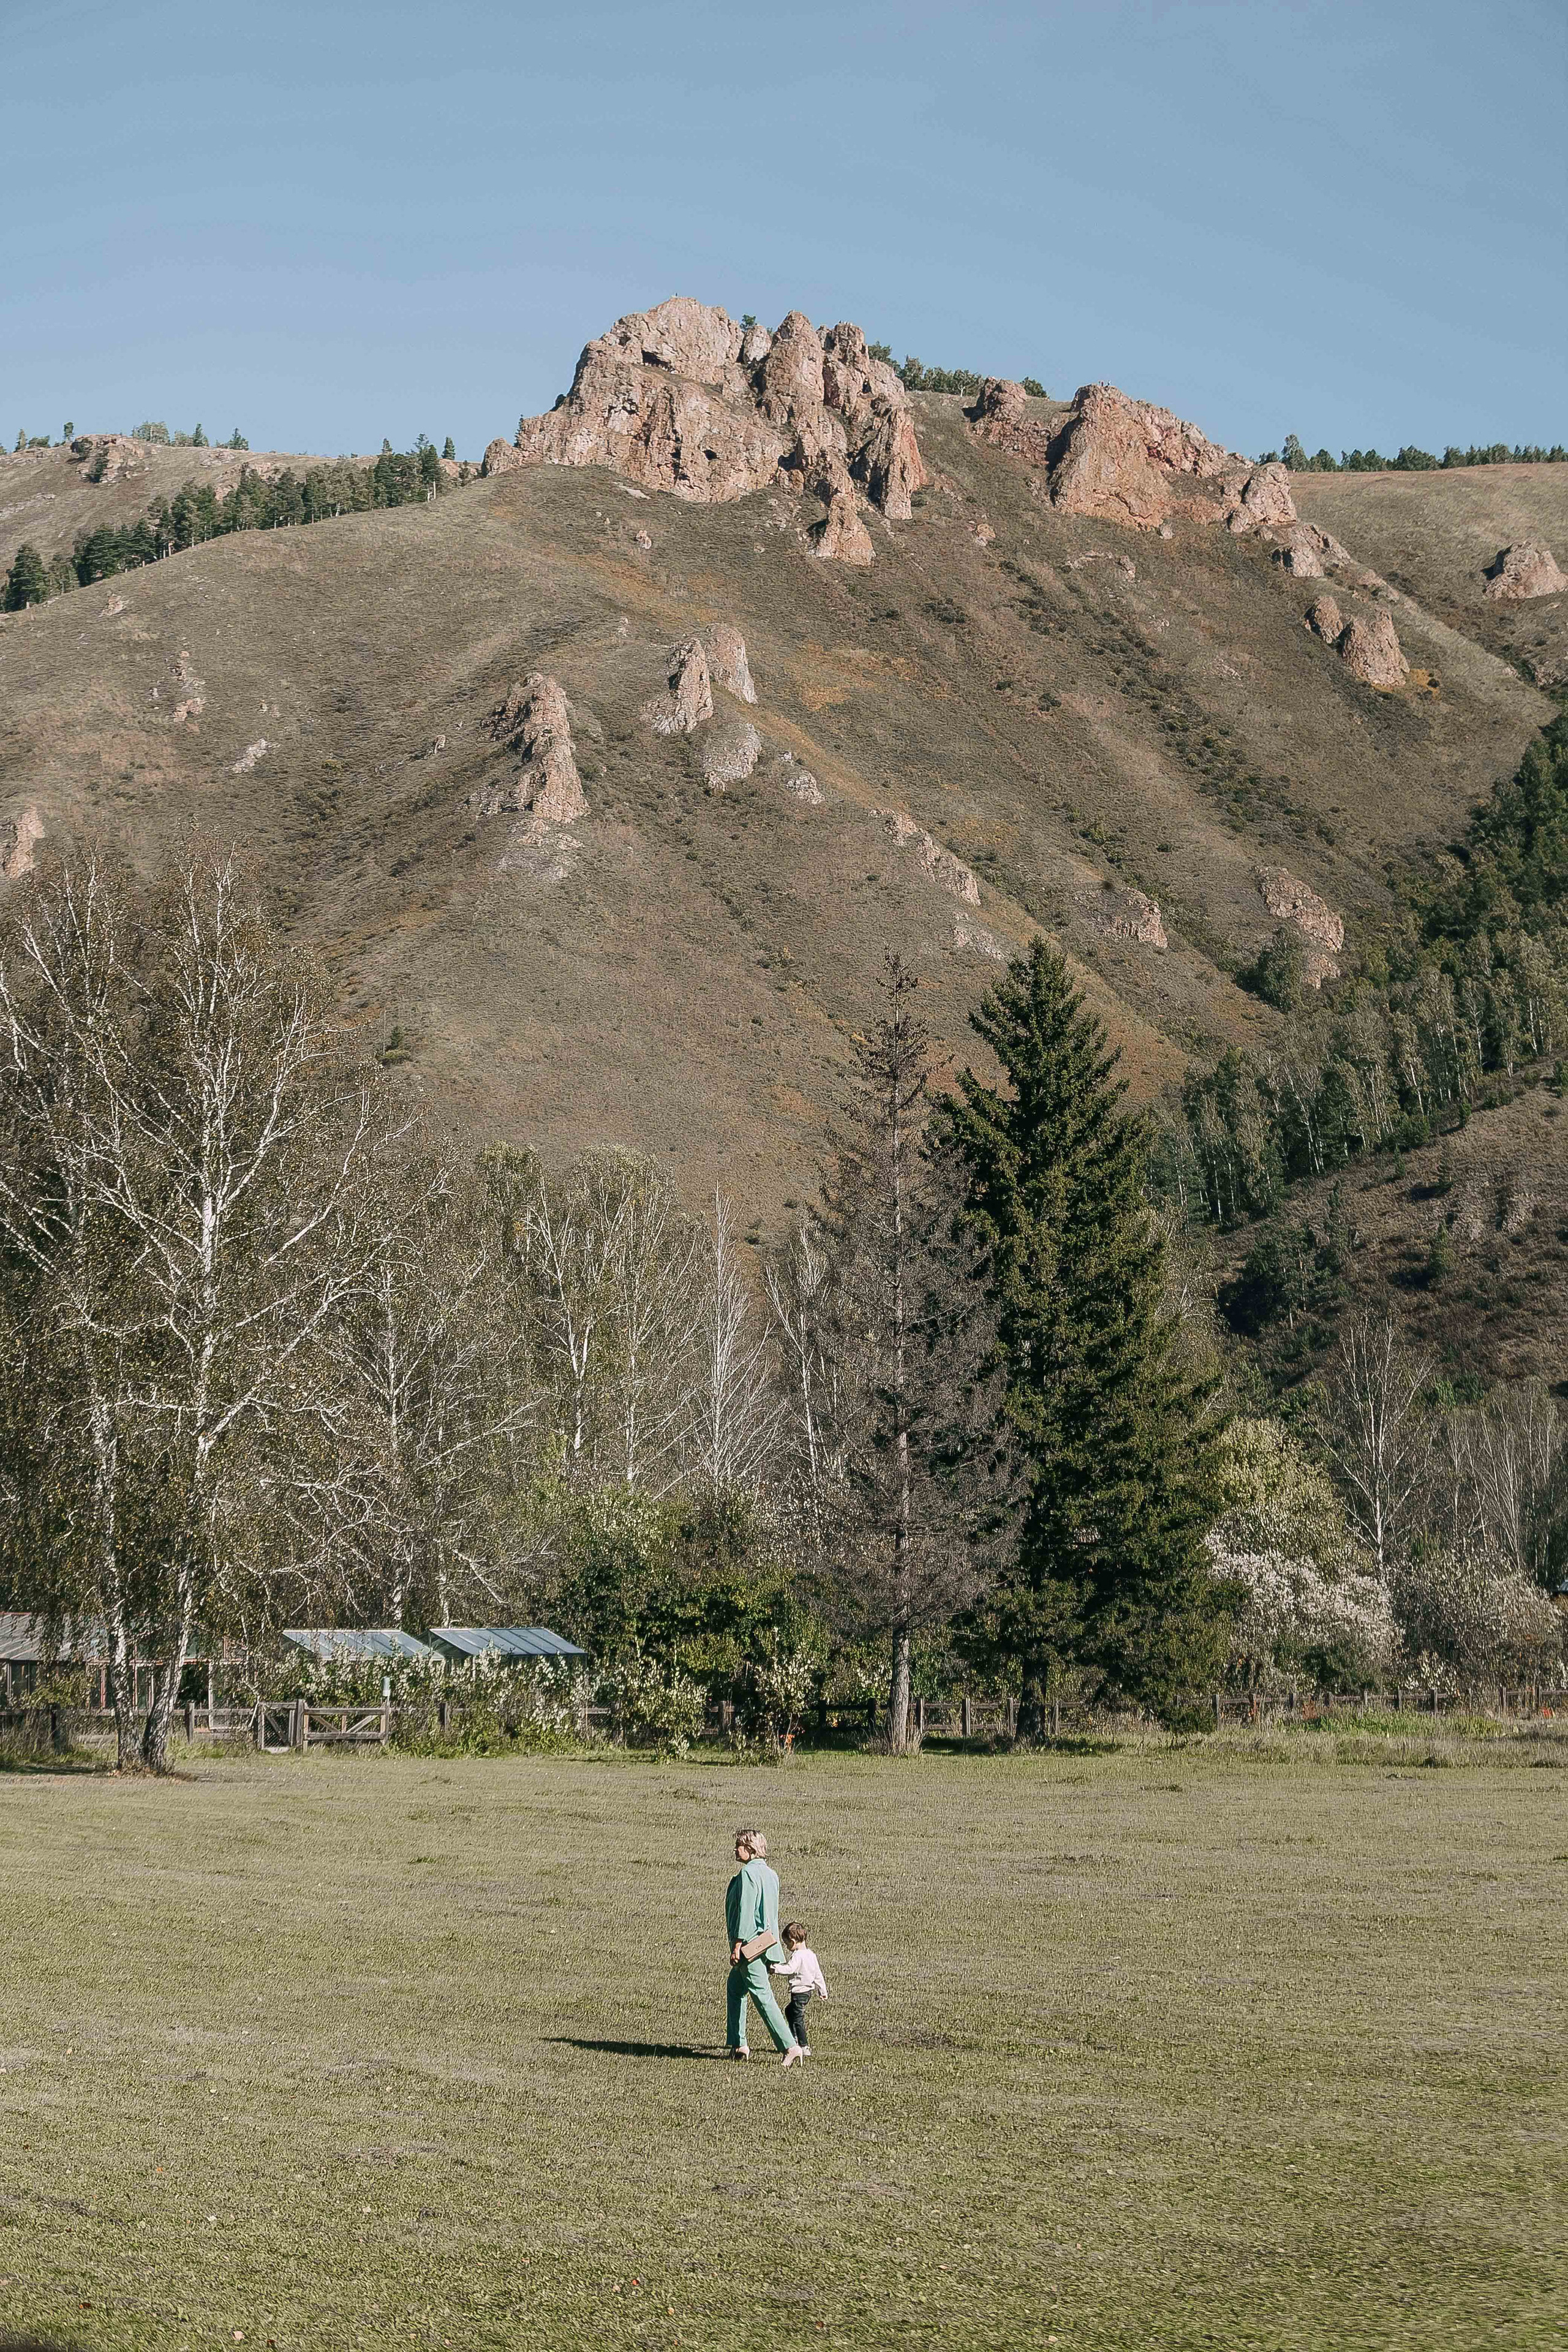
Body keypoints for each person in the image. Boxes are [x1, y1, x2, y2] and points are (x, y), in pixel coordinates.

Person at [725, 1829, 802, 2065]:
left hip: (750, 1945)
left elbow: (747, 1911)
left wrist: (738, 1945)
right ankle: (739, 2045)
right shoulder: (771, 1874)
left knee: (762, 1995)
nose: (735, 1849)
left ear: (750, 1849)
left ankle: (790, 2046)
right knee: (735, 1989)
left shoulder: (748, 1873)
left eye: (739, 1845)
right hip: (765, 1943)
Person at [769, 1921, 828, 2055]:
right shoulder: (811, 1955)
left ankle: (803, 2045)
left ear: (793, 1941)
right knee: (790, 2011)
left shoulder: (798, 1956)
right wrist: (822, 1990)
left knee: (798, 2019)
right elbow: (818, 1974)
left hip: (799, 1992)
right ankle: (794, 2038)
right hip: (807, 1992)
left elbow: (790, 1969)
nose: (787, 1947)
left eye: (787, 1944)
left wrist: (774, 1968)